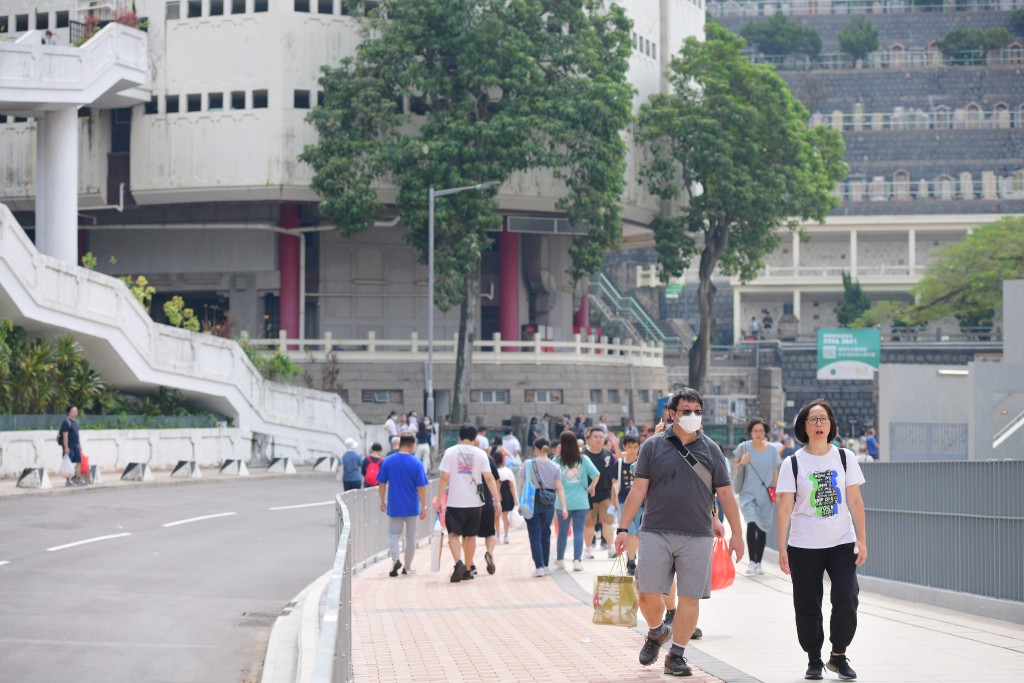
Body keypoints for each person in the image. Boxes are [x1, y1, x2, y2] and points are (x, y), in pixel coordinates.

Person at [615, 387, 744, 677]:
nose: (692, 416)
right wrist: (623, 528)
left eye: (697, 411)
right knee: (647, 593)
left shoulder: (711, 449)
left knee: (689, 598)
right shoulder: (652, 447)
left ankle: (677, 655)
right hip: (655, 530)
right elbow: (638, 490)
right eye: (686, 411)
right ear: (672, 414)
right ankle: (656, 631)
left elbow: (724, 493)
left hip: (697, 534)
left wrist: (737, 533)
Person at [777, 398, 867, 682]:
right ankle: (814, 659)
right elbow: (784, 507)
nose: (819, 424)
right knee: (807, 603)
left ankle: (838, 655)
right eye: (813, 419)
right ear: (804, 426)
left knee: (847, 595)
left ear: (831, 425)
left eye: (823, 419)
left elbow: (854, 499)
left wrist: (862, 539)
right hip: (804, 544)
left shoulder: (845, 457)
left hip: (842, 541)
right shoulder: (792, 463)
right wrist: (782, 547)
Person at [435, 425, 501, 583]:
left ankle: (458, 562)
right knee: (470, 537)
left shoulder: (450, 452)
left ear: (459, 437)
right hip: (475, 504)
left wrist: (438, 500)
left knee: (453, 535)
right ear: (475, 438)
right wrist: (497, 499)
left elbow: (444, 477)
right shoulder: (481, 454)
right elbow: (490, 478)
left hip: (455, 502)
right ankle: (467, 569)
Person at [733, 417, 782, 576]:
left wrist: (778, 494)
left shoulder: (773, 450)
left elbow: (776, 472)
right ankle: (752, 561)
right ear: (750, 432)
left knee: (762, 528)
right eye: (755, 430)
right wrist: (743, 462)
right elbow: (735, 466)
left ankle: (758, 562)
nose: (758, 433)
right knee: (752, 524)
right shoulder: (743, 447)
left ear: (765, 432)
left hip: (765, 495)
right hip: (747, 494)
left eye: (761, 430)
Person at [377, 434, 429, 576]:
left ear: (400, 444)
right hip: (412, 506)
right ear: (412, 445)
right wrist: (424, 506)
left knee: (393, 535)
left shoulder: (388, 461)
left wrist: (382, 501)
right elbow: (421, 488)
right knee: (411, 537)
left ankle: (395, 560)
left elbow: (381, 484)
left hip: (394, 505)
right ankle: (407, 566)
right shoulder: (416, 463)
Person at [518, 438, 568, 577]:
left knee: (535, 534)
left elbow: (521, 486)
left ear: (535, 448)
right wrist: (564, 507)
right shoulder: (555, 467)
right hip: (549, 500)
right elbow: (560, 488)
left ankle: (539, 566)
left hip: (532, 500)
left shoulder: (528, 464)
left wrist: (520, 503)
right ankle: (546, 565)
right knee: (546, 533)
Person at [553, 431, 599, 572]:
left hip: (563, 503)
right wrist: (591, 487)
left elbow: (551, 472)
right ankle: (577, 561)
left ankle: (560, 559)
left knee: (562, 532)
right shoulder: (583, 459)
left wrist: (557, 452)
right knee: (579, 531)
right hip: (581, 501)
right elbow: (596, 474)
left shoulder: (557, 461)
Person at [582, 426, 617, 560]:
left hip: (605, 494)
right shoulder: (583, 455)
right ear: (588, 439)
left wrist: (614, 499)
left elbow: (614, 478)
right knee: (589, 524)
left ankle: (611, 548)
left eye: (601, 437)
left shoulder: (608, 455)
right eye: (595, 437)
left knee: (607, 522)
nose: (598, 439)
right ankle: (589, 549)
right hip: (587, 495)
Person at [473, 446, 503, 576]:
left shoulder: (467, 459)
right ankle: (489, 552)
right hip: (487, 501)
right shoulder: (489, 459)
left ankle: (471, 564)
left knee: (469, 535)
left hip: (470, 502)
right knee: (490, 532)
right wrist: (498, 499)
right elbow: (495, 480)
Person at [616, 434, 641, 574]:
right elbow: (615, 485)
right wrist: (613, 505)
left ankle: (632, 556)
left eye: (635, 447)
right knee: (630, 532)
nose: (632, 450)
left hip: (641, 503)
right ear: (624, 447)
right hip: (623, 503)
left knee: (637, 533)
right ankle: (631, 562)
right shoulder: (619, 464)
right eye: (629, 447)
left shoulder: (642, 462)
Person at [493, 447, 518, 544]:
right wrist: (515, 499)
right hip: (507, 495)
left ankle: (498, 536)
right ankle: (506, 536)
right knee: (505, 517)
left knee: (496, 517)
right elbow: (512, 486)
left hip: (497, 496)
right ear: (503, 460)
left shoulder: (493, 472)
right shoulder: (508, 471)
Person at [60, 405, 86, 486]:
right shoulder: (66, 422)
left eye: (76, 411)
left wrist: (80, 444)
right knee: (68, 463)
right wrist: (66, 447)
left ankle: (78, 478)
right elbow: (65, 436)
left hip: (76, 445)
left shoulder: (76, 422)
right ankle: (68, 480)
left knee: (79, 461)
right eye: (73, 411)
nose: (75, 413)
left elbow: (77, 434)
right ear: (69, 412)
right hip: (69, 446)